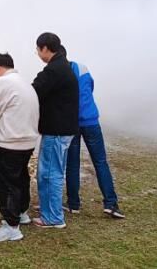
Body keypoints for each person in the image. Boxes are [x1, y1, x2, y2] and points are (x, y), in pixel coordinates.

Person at [63, 48, 125, 219]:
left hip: (72, 123)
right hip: (91, 120)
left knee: (72, 164)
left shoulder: (60, 73)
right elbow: (90, 87)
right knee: (100, 162)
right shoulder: (82, 68)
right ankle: (111, 204)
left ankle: (73, 204)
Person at [0, 53, 39, 242]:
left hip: (10, 141)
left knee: (8, 184)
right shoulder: (24, 82)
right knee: (21, 178)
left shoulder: (2, 82)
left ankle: (11, 226)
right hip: (28, 140)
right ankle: (22, 213)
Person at [31, 32, 79, 228]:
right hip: (63, 129)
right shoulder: (63, 65)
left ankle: (53, 217)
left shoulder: (54, 70)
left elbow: (33, 92)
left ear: (44, 48)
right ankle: (49, 210)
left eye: (37, 49)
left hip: (57, 130)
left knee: (50, 173)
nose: (37, 53)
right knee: (51, 172)